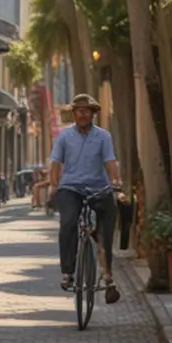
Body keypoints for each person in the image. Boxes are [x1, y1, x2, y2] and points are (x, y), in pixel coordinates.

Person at [49, 92, 121, 303]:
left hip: (98, 188)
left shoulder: (103, 136)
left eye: (86, 111)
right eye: (79, 111)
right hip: (71, 188)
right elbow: (55, 163)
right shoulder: (64, 137)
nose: (83, 114)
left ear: (93, 113)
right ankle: (68, 272)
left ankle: (108, 277)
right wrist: (54, 186)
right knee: (68, 223)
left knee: (106, 230)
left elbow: (110, 161)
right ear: (74, 114)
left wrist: (116, 182)